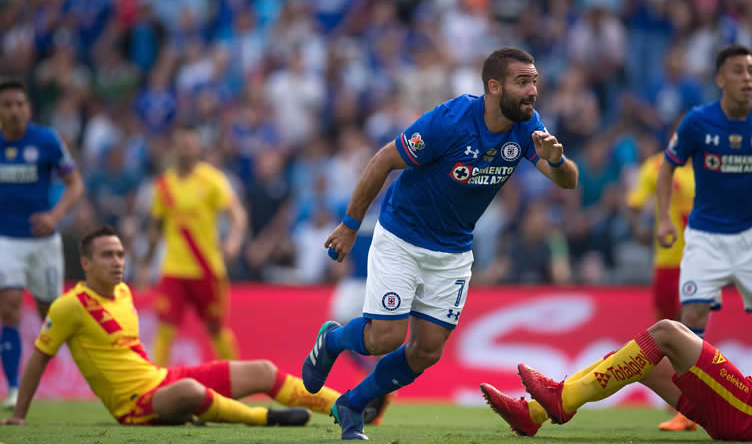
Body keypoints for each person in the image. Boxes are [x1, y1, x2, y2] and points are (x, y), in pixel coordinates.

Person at [301, 47, 578, 439]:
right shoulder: (450, 121)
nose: (533, 89)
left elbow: (567, 180)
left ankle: (353, 403)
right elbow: (383, 160)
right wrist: (349, 224)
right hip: (402, 235)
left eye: (534, 80)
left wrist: (557, 160)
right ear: (494, 87)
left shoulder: (527, 124)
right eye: (522, 81)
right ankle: (331, 340)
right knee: (386, 338)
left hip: (452, 250)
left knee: (427, 350)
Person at [480, 240, 752, 441]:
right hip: (742, 403)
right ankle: (534, 414)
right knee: (641, 359)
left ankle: (560, 400)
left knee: (667, 331)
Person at [0, 225, 356, 427]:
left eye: (121, 254)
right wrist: (19, 415)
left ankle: (346, 405)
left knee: (262, 369)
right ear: (86, 263)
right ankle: (265, 418)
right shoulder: (69, 307)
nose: (117, 262)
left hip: (159, 380)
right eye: (107, 255)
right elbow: (38, 359)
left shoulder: (123, 292)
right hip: (134, 406)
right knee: (189, 391)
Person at [654, 44, 752, 431]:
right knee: (690, 316)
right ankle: (689, 410)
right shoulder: (697, 121)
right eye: (739, 71)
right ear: (720, 79)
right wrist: (663, 218)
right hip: (705, 237)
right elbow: (667, 167)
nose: (748, 78)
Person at [0, 79, 85, 409]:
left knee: (51, 314)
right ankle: (12, 387)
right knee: (9, 306)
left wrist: (56, 215)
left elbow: (75, 183)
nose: (14, 110)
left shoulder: (47, 140)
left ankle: (84, 380)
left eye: (20, 104)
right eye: (7, 105)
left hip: (43, 240)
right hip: (5, 239)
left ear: (28, 108)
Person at [143, 124, 247, 367]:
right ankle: (158, 386)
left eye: (190, 144)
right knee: (165, 328)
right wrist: (146, 263)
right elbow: (156, 227)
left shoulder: (211, 180)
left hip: (207, 268)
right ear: (174, 148)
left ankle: (240, 379)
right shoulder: (164, 185)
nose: (185, 149)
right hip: (174, 268)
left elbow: (237, 214)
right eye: (181, 144)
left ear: (197, 147)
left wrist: (233, 240)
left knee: (216, 328)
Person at [626, 132, 695, 321]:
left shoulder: (707, 168)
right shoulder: (656, 166)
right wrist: (639, 228)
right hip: (666, 259)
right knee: (665, 323)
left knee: (690, 318)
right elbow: (634, 204)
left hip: (698, 260)